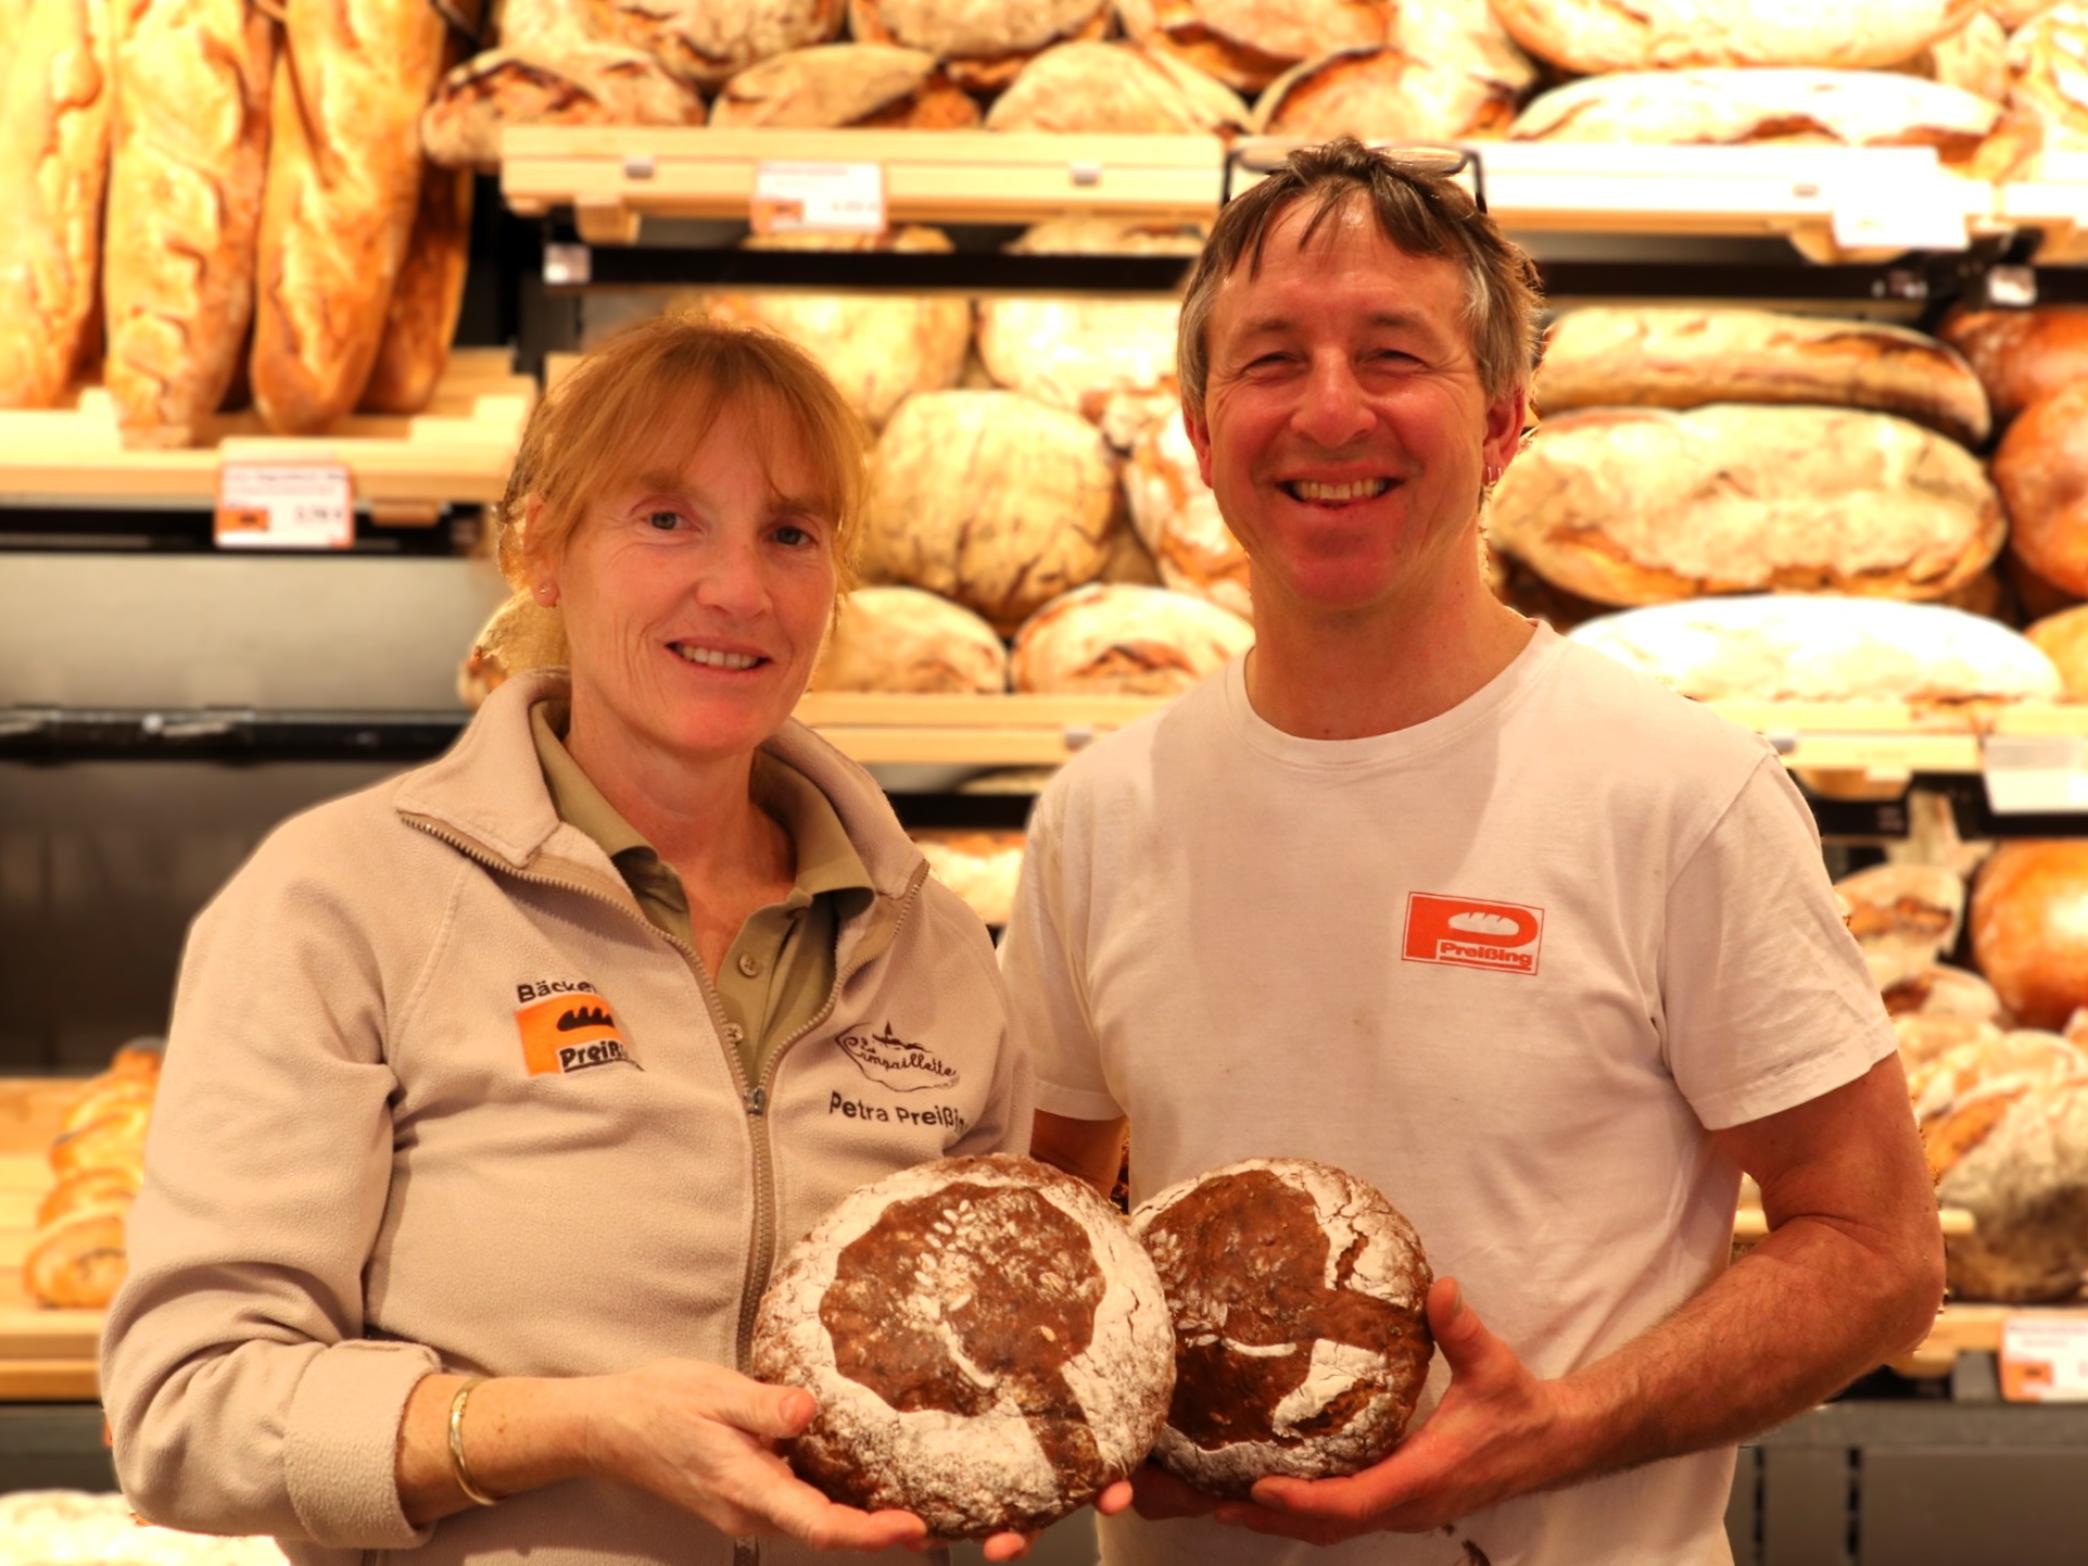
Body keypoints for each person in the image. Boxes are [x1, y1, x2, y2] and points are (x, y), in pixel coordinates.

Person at [999, 139, 1945, 1566]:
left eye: (1393, 355)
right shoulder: (1102, 811)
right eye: (1269, 361)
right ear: (1199, 431)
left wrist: (1563, 1426)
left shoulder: (1679, 795)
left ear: (1504, 423)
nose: (1329, 410)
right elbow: (1054, 1211)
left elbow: (1878, 1252)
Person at [100, 317, 1074, 1566]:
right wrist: (577, 1428)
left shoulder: (930, 942)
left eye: (791, 532)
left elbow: (979, 1377)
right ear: (542, 551)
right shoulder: (342, 902)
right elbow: (185, 1412)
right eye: (666, 518)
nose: (739, 589)